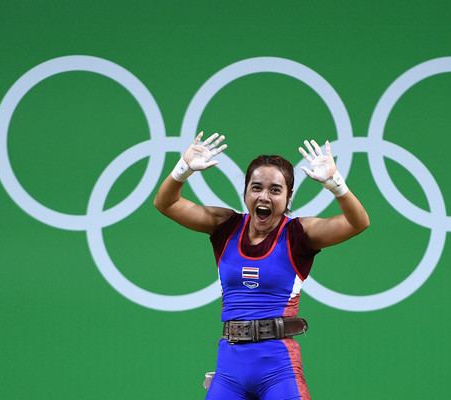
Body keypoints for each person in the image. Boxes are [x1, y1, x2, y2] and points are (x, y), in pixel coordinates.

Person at [153, 132, 370, 400]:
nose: (264, 196)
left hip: (278, 369)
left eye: (275, 190)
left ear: (289, 197)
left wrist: (336, 185)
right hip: (230, 370)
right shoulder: (225, 226)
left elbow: (358, 223)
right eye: (256, 187)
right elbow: (166, 203)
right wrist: (183, 169)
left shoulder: (299, 234)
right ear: (245, 191)